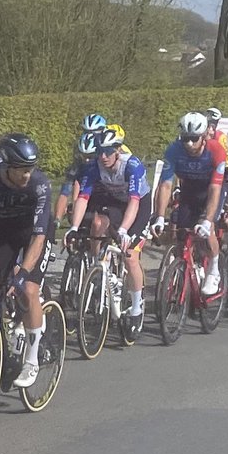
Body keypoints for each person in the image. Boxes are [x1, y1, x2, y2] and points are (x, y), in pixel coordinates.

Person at [0, 133, 55, 387]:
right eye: (22, 170)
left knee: (28, 290)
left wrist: (23, 274)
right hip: (4, 230)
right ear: (7, 166)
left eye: (31, 168)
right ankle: (4, 333)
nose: (27, 175)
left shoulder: (39, 184)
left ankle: (31, 360)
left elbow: (39, 237)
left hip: (34, 233)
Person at [66, 126, 150, 329]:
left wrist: (124, 230)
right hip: (115, 203)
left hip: (138, 206)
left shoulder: (132, 166)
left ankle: (137, 307)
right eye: (99, 152)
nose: (103, 156)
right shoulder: (94, 167)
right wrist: (74, 227)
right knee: (98, 224)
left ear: (118, 150)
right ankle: (103, 272)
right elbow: (83, 198)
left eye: (108, 151)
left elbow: (134, 202)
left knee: (130, 256)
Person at [153, 109, 228, 295]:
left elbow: (215, 189)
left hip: (211, 190)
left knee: (207, 230)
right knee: (181, 234)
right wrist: (159, 216)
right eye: (185, 138)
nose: (189, 143)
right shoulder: (174, 150)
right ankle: (186, 268)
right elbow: (165, 185)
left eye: (194, 139)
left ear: (204, 137)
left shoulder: (216, 151)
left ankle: (214, 270)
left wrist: (207, 220)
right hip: (189, 190)